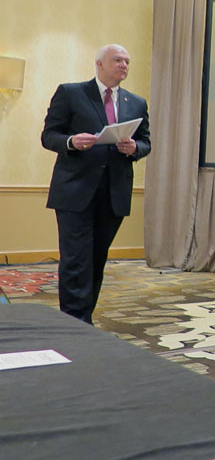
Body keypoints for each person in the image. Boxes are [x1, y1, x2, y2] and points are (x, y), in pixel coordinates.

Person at [41, 44, 151, 324]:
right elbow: (49, 135)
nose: (124, 65)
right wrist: (72, 142)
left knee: (95, 260)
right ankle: (75, 323)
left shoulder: (136, 103)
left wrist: (134, 148)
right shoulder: (71, 93)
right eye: (117, 60)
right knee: (75, 261)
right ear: (99, 64)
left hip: (113, 193)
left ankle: (84, 317)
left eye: (127, 61)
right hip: (75, 192)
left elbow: (146, 142)